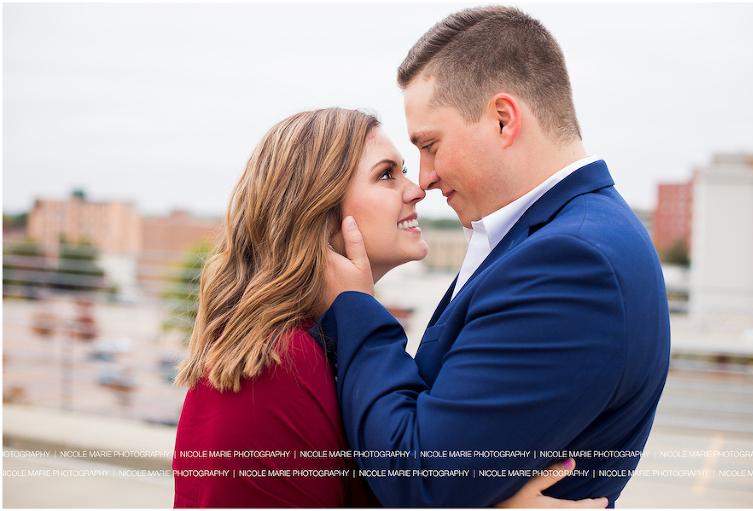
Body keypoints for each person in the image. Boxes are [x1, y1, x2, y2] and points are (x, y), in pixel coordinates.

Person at [316, 5, 671, 508]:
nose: (425, 178)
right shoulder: (558, 237)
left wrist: (356, 310)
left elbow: (423, 479)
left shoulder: (572, 263)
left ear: (504, 120)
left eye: (430, 145)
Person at [172, 107, 605, 508]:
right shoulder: (280, 362)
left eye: (403, 172)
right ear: (317, 210)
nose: (416, 190)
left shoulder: (318, 346)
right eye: (386, 175)